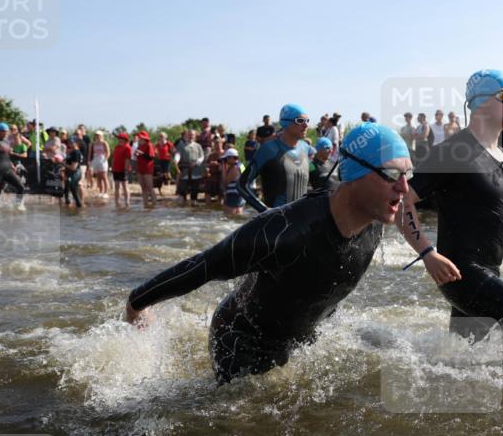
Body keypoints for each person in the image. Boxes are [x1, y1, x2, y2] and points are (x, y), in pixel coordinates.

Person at [125, 123, 412, 384]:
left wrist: (428, 253)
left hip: (301, 340)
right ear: (353, 172)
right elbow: (205, 265)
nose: (404, 187)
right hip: (242, 341)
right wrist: (137, 303)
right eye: (391, 174)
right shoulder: (284, 231)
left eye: (408, 174)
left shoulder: (375, 224)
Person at [395, 69, 503, 361]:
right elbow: (401, 201)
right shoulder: (452, 151)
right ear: (480, 102)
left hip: (487, 274)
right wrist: (427, 253)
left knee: (464, 367)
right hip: (461, 275)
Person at [237, 103, 313, 212]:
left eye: (307, 121)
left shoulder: (306, 148)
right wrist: (264, 210)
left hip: (301, 223)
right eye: (300, 121)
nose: (306, 125)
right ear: (286, 123)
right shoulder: (269, 149)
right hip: (276, 224)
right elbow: (241, 185)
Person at [0, 122, 26, 210]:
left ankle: (18, 206)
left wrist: (11, 164)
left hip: (7, 169)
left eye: (7, 131)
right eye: (4, 131)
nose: (6, 133)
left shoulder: (7, 142)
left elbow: (6, 156)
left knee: (21, 187)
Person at [175, 129, 205, 206]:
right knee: (182, 194)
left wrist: (196, 163)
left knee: (194, 195)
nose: (191, 136)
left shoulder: (198, 146)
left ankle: (193, 212)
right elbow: (178, 154)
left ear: (195, 136)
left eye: (192, 134)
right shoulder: (181, 145)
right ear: (186, 135)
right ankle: (182, 213)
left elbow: (201, 157)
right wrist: (176, 160)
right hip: (185, 171)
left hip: (196, 172)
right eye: (189, 134)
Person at [220, 147, 245, 217]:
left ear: (231, 158)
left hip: (233, 194)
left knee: (228, 216)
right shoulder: (241, 165)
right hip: (240, 194)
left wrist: (224, 170)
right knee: (238, 215)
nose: (225, 161)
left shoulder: (234, 168)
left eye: (226, 159)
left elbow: (226, 182)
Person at [136, 130, 157, 207]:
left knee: (149, 187)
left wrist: (142, 153)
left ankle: (155, 204)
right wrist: (137, 153)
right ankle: (145, 204)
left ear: (145, 138)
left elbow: (151, 157)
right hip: (140, 168)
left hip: (147, 169)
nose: (139, 139)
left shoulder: (149, 145)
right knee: (143, 187)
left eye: (141, 138)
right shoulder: (139, 146)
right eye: (139, 137)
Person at [112, 132, 132, 207]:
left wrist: (126, 169)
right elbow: (114, 158)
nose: (119, 140)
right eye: (119, 138)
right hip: (116, 169)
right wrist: (113, 167)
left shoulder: (127, 147)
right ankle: (117, 202)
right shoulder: (117, 147)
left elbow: (127, 159)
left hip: (123, 169)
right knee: (116, 186)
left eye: (121, 138)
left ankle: (127, 202)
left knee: (125, 185)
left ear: (125, 139)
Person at [63, 137, 84, 208]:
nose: (70, 144)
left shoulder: (76, 152)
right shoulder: (72, 152)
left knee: (73, 189)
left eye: (72, 142)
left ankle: (79, 206)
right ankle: (68, 206)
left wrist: (63, 163)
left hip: (75, 173)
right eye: (69, 142)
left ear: (77, 143)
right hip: (70, 173)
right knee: (67, 189)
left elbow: (73, 167)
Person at [89, 131, 110, 197]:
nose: (97, 136)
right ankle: (101, 192)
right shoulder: (93, 143)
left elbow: (108, 152)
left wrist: (105, 159)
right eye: (96, 135)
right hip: (96, 159)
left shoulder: (104, 143)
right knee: (98, 177)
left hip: (102, 159)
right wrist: (89, 160)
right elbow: (90, 153)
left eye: (99, 135)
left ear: (101, 135)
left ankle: (106, 192)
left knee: (104, 176)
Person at [153, 131, 174, 198]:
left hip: (167, 159)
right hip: (159, 159)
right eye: (160, 136)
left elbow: (173, 150)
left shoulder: (168, 143)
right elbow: (154, 150)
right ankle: (162, 186)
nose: (161, 137)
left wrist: (170, 154)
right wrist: (155, 152)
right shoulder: (157, 144)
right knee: (161, 173)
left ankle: (169, 185)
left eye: (162, 136)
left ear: (165, 137)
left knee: (167, 172)